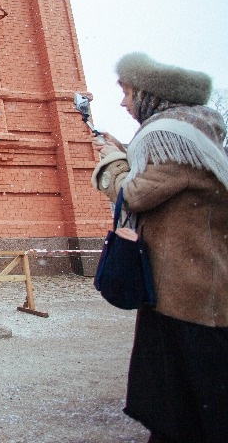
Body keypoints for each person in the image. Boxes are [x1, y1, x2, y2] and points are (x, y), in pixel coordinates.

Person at [90, 52, 228, 443]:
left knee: (191, 399)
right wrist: (124, 149)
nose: (122, 102)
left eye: (127, 93)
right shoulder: (191, 133)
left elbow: (133, 195)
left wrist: (113, 163)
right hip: (195, 284)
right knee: (189, 394)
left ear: (150, 96)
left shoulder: (170, 138)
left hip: (189, 291)